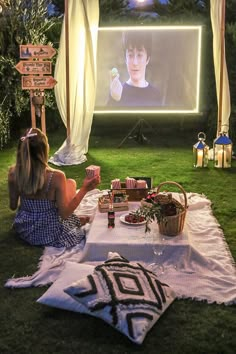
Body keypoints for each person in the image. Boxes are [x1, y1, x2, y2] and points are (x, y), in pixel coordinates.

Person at [8, 128, 100, 248]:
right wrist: (84, 189)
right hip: (50, 232)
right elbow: (65, 214)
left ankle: (75, 220)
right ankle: (75, 221)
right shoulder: (55, 176)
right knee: (71, 184)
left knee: (70, 183)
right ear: (45, 149)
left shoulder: (13, 173)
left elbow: (13, 206)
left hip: (25, 230)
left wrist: (30, 196)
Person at [107, 31, 161, 107]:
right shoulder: (117, 92)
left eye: (139, 55)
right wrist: (114, 100)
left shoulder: (156, 94)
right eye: (130, 55)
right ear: (125, 59)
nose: (135, 63)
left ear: (148, 59)